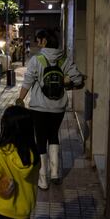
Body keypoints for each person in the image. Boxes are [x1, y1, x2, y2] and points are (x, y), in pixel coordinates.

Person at [16, 29, 84, 190]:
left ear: (44, 41)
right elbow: (78, 79)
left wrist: (20, 99)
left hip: (39, 107)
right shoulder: (64, 60)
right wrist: (65, 83)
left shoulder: (36, 60)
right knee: (53, 136)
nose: (37, 43)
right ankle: (54, 174)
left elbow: (27, 82)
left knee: (40, 140)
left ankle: (43, 179)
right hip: (58, 107)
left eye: (38, 40)